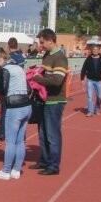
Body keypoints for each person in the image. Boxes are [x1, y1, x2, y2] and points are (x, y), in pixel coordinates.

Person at [29, 28, 68, 176]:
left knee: (52, 134)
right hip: (45, 100)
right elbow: (46, 73)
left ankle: (53, 165)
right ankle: (44, 160)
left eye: (42, 42)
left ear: (50, 41)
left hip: (55, 101)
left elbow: (57, 80)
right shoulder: (47, 55)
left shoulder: (60, 58)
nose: (41, 45)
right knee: (43, 132)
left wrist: (39, 79)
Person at [0, 49, 32, 180]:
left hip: (14, 108)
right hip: (26, 105)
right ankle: (16, 170)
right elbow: (29, 88)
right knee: (20, 141)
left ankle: (6, 170)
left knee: (11, 141)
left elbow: (2, 87)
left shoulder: (5, 70)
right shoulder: (19, 68)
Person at [80, 42, 101, 117]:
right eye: (94, 50)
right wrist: (82, 79)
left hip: (99, 81)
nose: (95, 51)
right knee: (90, 97)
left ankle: (97, 109)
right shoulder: (88, 59)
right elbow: (83, 69)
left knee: (100, 97)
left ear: (99, 50)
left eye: (96, 49)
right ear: (92, 51)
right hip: (90, 80)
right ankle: (90, 111)